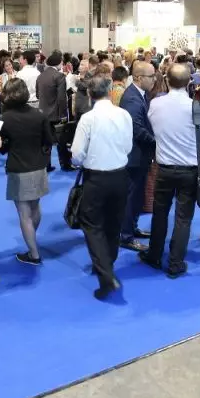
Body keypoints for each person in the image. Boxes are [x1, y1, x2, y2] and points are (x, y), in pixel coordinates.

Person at [141, 64, 200, 278]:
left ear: (166, 80)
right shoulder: (197, 107)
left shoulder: (155, 104)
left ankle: (154, 255)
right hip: (189, 170)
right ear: (189, 81)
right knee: (183, 218)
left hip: (163, 168)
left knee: (159, 213)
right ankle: (175, 263)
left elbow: (152, 125)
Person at [71, 75, 133, 300]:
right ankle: (108, 263)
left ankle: (106, 274)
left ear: (89, 93)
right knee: (114, 223)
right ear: (110, 91)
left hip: (96, 179)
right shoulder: (124, 114)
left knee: (92, 225)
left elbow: (77, 154)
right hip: (120, 175)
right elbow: (128, 146)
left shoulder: (88, 119)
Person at [0, 78, 52, 265]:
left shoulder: (5, 119)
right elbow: (48, 141)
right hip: (38, 166)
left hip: (18, 168)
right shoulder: (39, 115)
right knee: (35, 207)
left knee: (24, 213)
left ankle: (33, 254)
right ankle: (32, 240)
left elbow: (2, 147)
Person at [119, 60, 155, 251]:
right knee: (131, 197)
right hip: (134, 156)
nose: (155, 79)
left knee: (137, 196)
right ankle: (125, 236)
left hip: (140, 155)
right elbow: (137, 129)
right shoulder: (132, 98)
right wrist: (156, 142)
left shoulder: (140, 94)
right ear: (139, 78)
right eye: (151, 76)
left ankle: (132, 228)